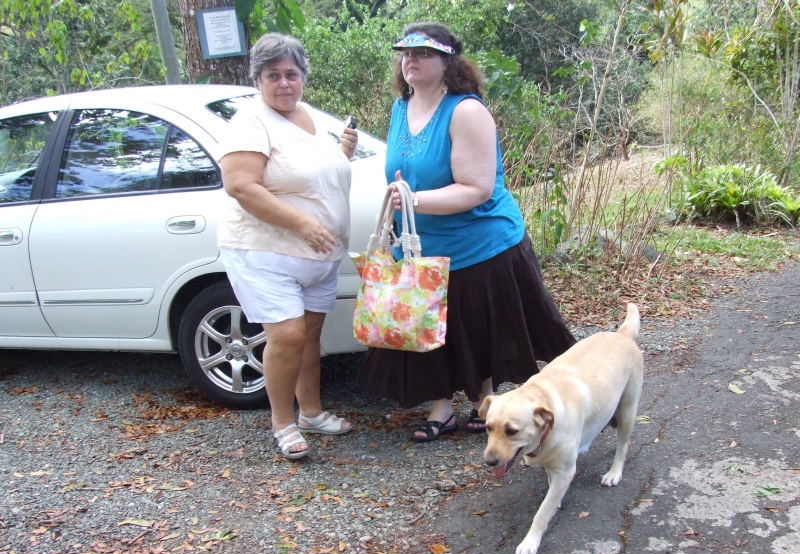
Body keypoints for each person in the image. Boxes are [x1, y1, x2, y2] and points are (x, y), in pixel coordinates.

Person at [357, 22, 576, 441]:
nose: (411, 60)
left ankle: (483, 401)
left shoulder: (466, 111)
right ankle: (442, 409)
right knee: (428, 325)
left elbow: (477, 189)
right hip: (422, 245)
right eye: (405, 53)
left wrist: (414, 200)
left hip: (480, 243)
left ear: (447, 62)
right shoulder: (401, 107)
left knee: (476, 327)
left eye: (423, 53)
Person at [217, 32, 358, 459]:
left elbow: (308, 177)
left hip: (318, 254)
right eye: (273, 75)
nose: (284, 83)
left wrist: (342, 153)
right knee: (289, 335)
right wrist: (302, 224)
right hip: (266, 250)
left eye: (292, 74)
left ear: (303, 77)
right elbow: (240, 185)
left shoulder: (307, 115)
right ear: (258, 79)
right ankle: (283, 423)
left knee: (310, 336)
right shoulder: (250, 120)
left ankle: (311, 413)